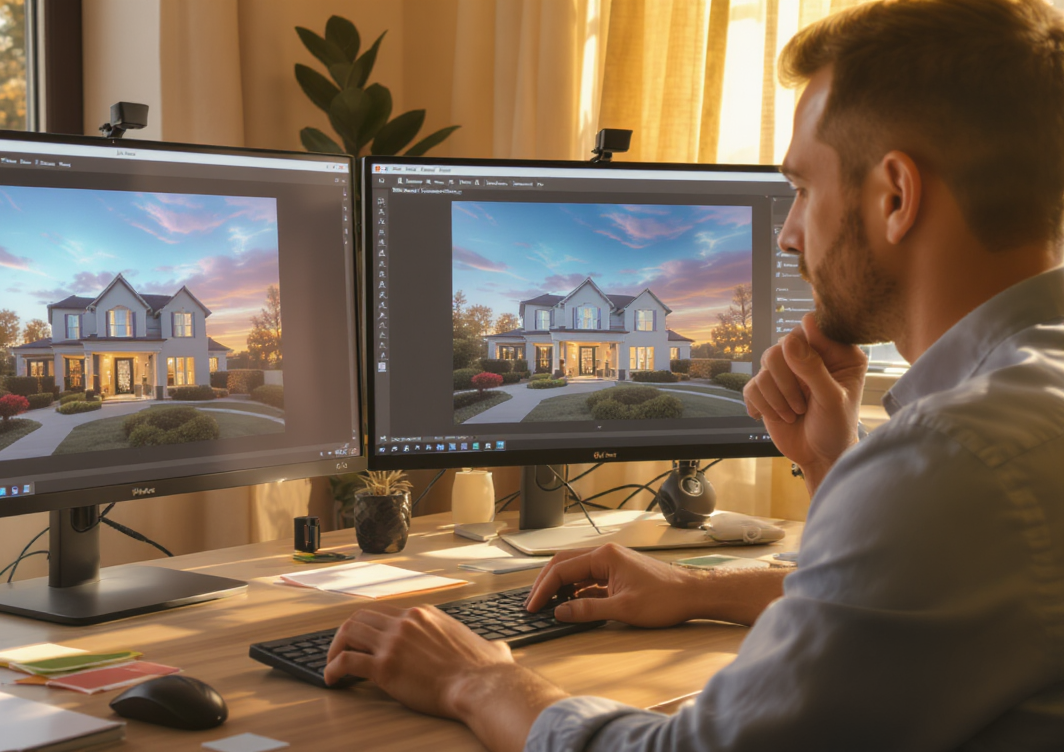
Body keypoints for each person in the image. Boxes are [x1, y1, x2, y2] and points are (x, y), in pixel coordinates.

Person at [323, 0, 1064, 749]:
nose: (787, 235)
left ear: (895, 196)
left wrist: (476, 679)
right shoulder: (1020, 413)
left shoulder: (957, 459)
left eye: (803, 188)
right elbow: (921, 594)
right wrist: (737, 551)